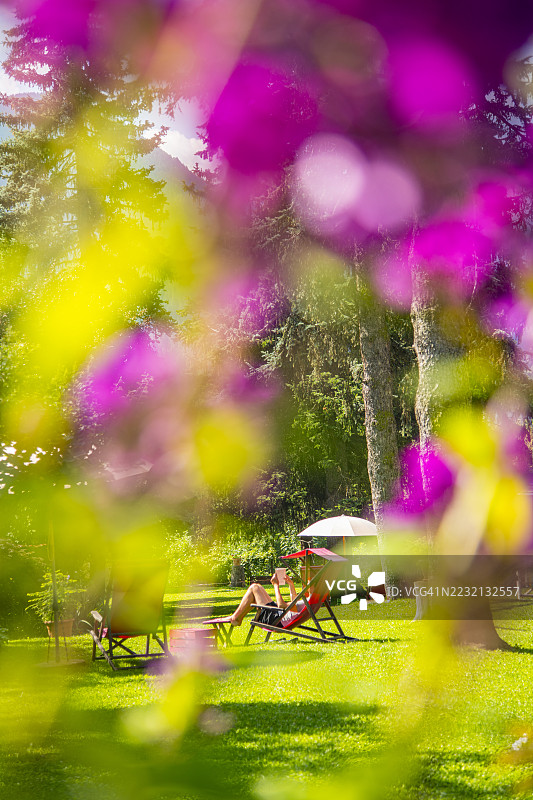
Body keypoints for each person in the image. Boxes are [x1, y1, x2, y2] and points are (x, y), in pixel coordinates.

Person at [217, 571, 304, 627]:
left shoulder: (309, 600)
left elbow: (281, 605)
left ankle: (235, 618)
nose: (307, 583)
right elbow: (295, 604)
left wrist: (275, 585)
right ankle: (237, 618)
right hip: (279, 615)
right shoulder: (312, 599)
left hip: (276, 619)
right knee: (257, 587)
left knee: (254, 587)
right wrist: (291, 584)